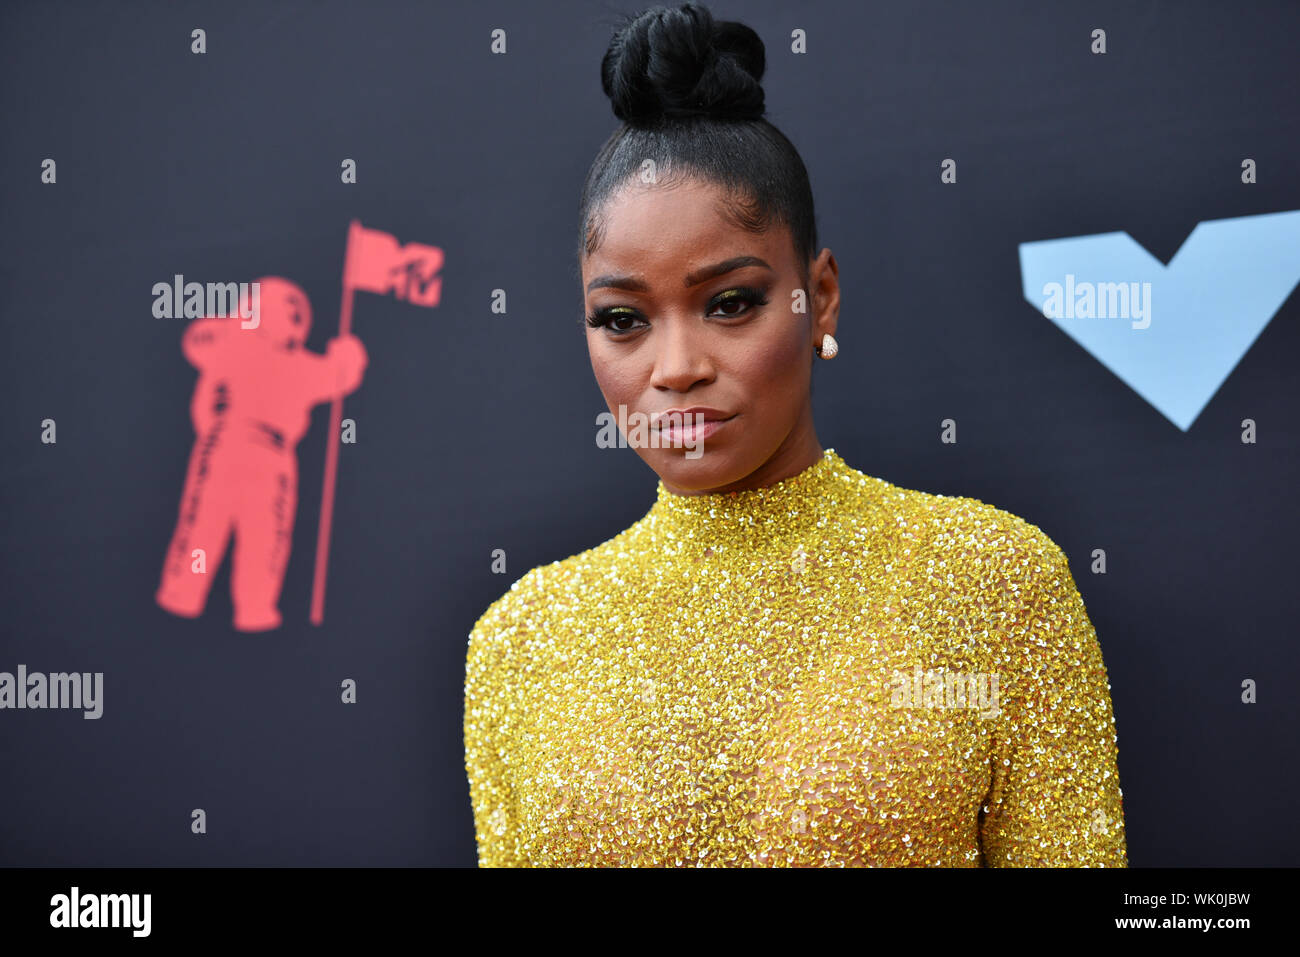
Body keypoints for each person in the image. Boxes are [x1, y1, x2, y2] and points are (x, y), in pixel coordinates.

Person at [463, 2, 1126, 866]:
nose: (675, 366)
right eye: (622, 319)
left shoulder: (993, 583)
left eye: (731, 303)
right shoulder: (520, 641)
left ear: (822, 296)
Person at [155, 276, 368, 631]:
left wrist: (345, 361)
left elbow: (331, 377)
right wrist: (346, 358)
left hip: (258, 452)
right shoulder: (242, 348)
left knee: (257, 535)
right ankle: (206, 597)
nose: (295, 320)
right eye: (288, 312)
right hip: (235, 445)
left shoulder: (264, 355)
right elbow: (332, 376)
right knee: (221, 529)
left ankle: (239, 603)